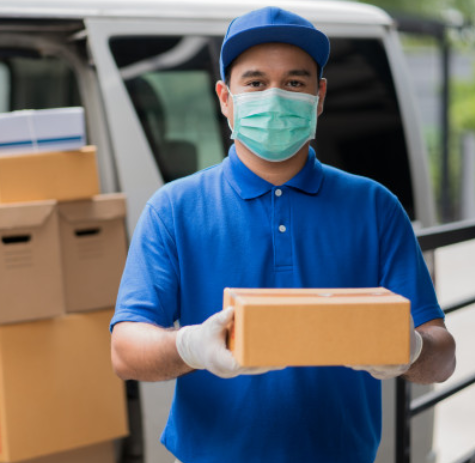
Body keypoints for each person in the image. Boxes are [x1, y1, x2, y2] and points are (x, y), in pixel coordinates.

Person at [110, 6, 456, 463]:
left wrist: (410, 349)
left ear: (320, 95)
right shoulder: (174, 209)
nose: (275, 97)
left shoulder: (375, 207)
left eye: (295, 82)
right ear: (225, 98)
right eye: (255, 82)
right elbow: (125, 350)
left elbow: (442, 355)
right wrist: (189, 346)